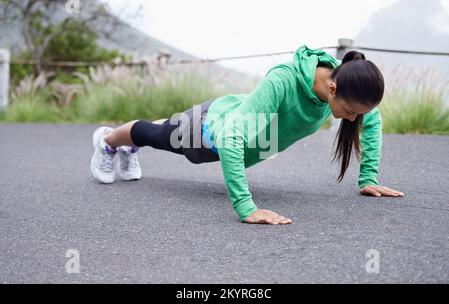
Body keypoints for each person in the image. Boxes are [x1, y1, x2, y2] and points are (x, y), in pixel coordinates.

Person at [90, 45, 405, 225]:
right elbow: (231, 138)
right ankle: (107, 142)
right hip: (210, 130)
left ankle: (130, 144)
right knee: (153, 134)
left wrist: (368, 178)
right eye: (351, 112)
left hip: (231, 119)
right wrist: (246, 208)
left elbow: (372, 121)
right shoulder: (284, 81)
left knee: (165, 127)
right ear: (332, 89)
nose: (353, 119)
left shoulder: (347, 82)